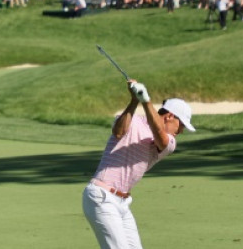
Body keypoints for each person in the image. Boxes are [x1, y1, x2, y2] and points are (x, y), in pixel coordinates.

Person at [83, 80, 196, 248]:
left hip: (122, 203)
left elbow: (158, 131)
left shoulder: (169, 142)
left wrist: (146, 101)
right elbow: (118, 131)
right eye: (181, 125)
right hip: (101, 196)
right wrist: (135, 100)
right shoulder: (133, 120)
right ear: (170, 116)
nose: (181, 131)